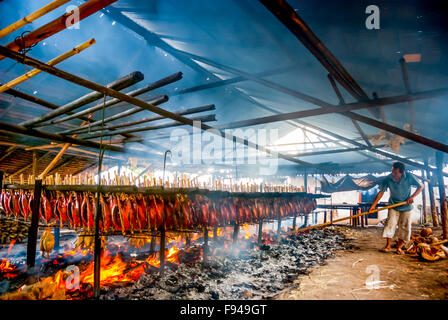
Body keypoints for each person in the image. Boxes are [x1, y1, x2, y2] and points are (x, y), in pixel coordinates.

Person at [369, 162, 424, 254]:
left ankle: (399, 248)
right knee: (390, 224)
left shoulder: (409, 176)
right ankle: (388, 246)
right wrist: (373, 206)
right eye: (392, 171)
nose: (393, 174)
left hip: (406, 206)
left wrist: (412, 197)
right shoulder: (388, 178)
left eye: (395, 172)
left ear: (402, 172)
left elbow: (421, 186)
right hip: (393, 205)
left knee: (404, 227)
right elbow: (381, 192)